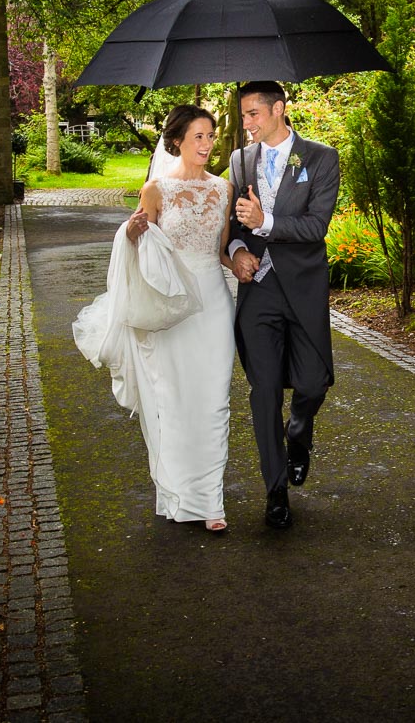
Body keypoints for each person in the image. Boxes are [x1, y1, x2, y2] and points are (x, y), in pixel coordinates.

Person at [73, 105, 236, 533]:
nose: (207, 144)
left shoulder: (225, 188)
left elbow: (221, 250)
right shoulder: (155, 190)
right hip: (171, 307)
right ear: (177, 141)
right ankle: (178, 494)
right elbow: (141, 244)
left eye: (210, 135)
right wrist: (129, 234)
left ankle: (211, 501)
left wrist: (240, 259)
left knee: (214, 399)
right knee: (175, 399)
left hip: (214, 306)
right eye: (198, 136)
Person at [227, 81, 339, 529]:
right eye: (243, 115)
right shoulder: (239, 160)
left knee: (312, 383)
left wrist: (266, 221)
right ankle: (275, 490)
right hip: (259, 291)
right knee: (264, 391)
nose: (247, 123)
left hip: (304, 287)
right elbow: (231, 224)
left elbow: (316, 226)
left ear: (279, 109)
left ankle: (299, 428)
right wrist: (237, 250)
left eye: (253, 113)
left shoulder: (321, 158)